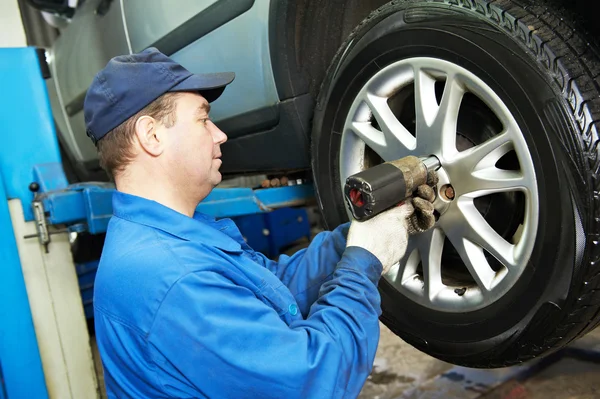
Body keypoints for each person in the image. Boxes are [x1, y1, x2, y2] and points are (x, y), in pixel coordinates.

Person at [85, 48, 436, 399]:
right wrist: (362, 264)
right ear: (152, 136)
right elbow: (314, 379)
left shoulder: (171, 236)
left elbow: (277, 289)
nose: (219, 134)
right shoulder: (170, 277)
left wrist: (357, 238)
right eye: (203, 119)